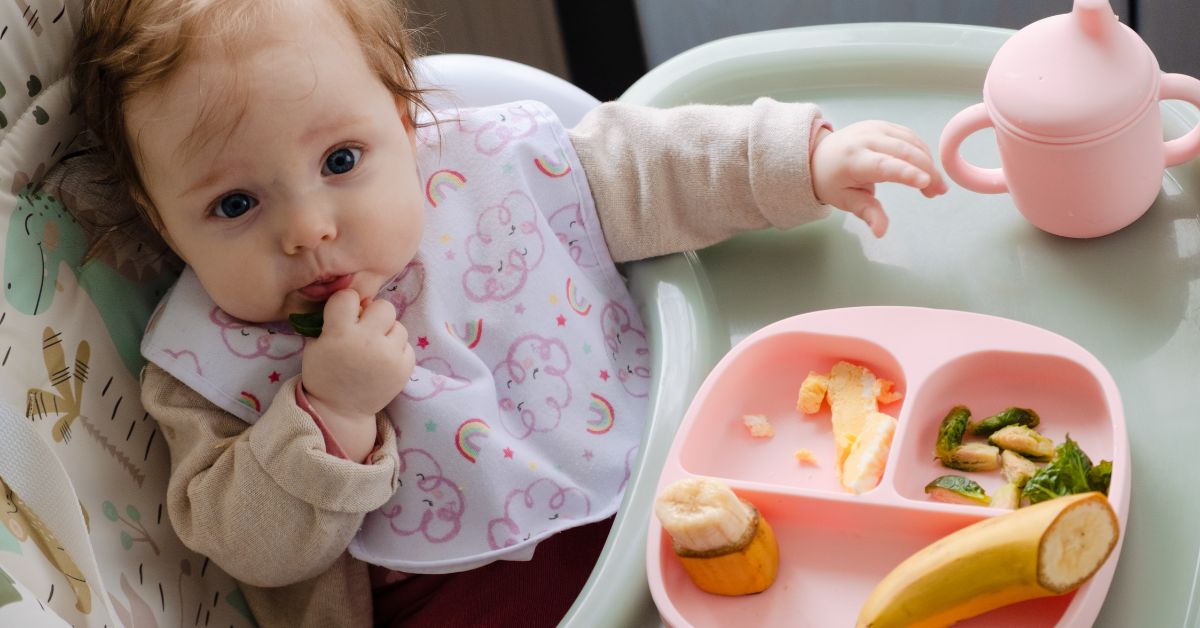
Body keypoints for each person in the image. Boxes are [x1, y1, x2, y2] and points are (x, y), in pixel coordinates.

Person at [72, 0, 947, 625]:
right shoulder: (198, 364)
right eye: (233, 205)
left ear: (404, 122)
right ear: (163, 223)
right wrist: (329, 414)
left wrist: (799, 162)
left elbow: (654, 168)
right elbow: (247, 545)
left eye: (340, 160)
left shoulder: (492, 170)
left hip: (666, 495)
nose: (309, 229)